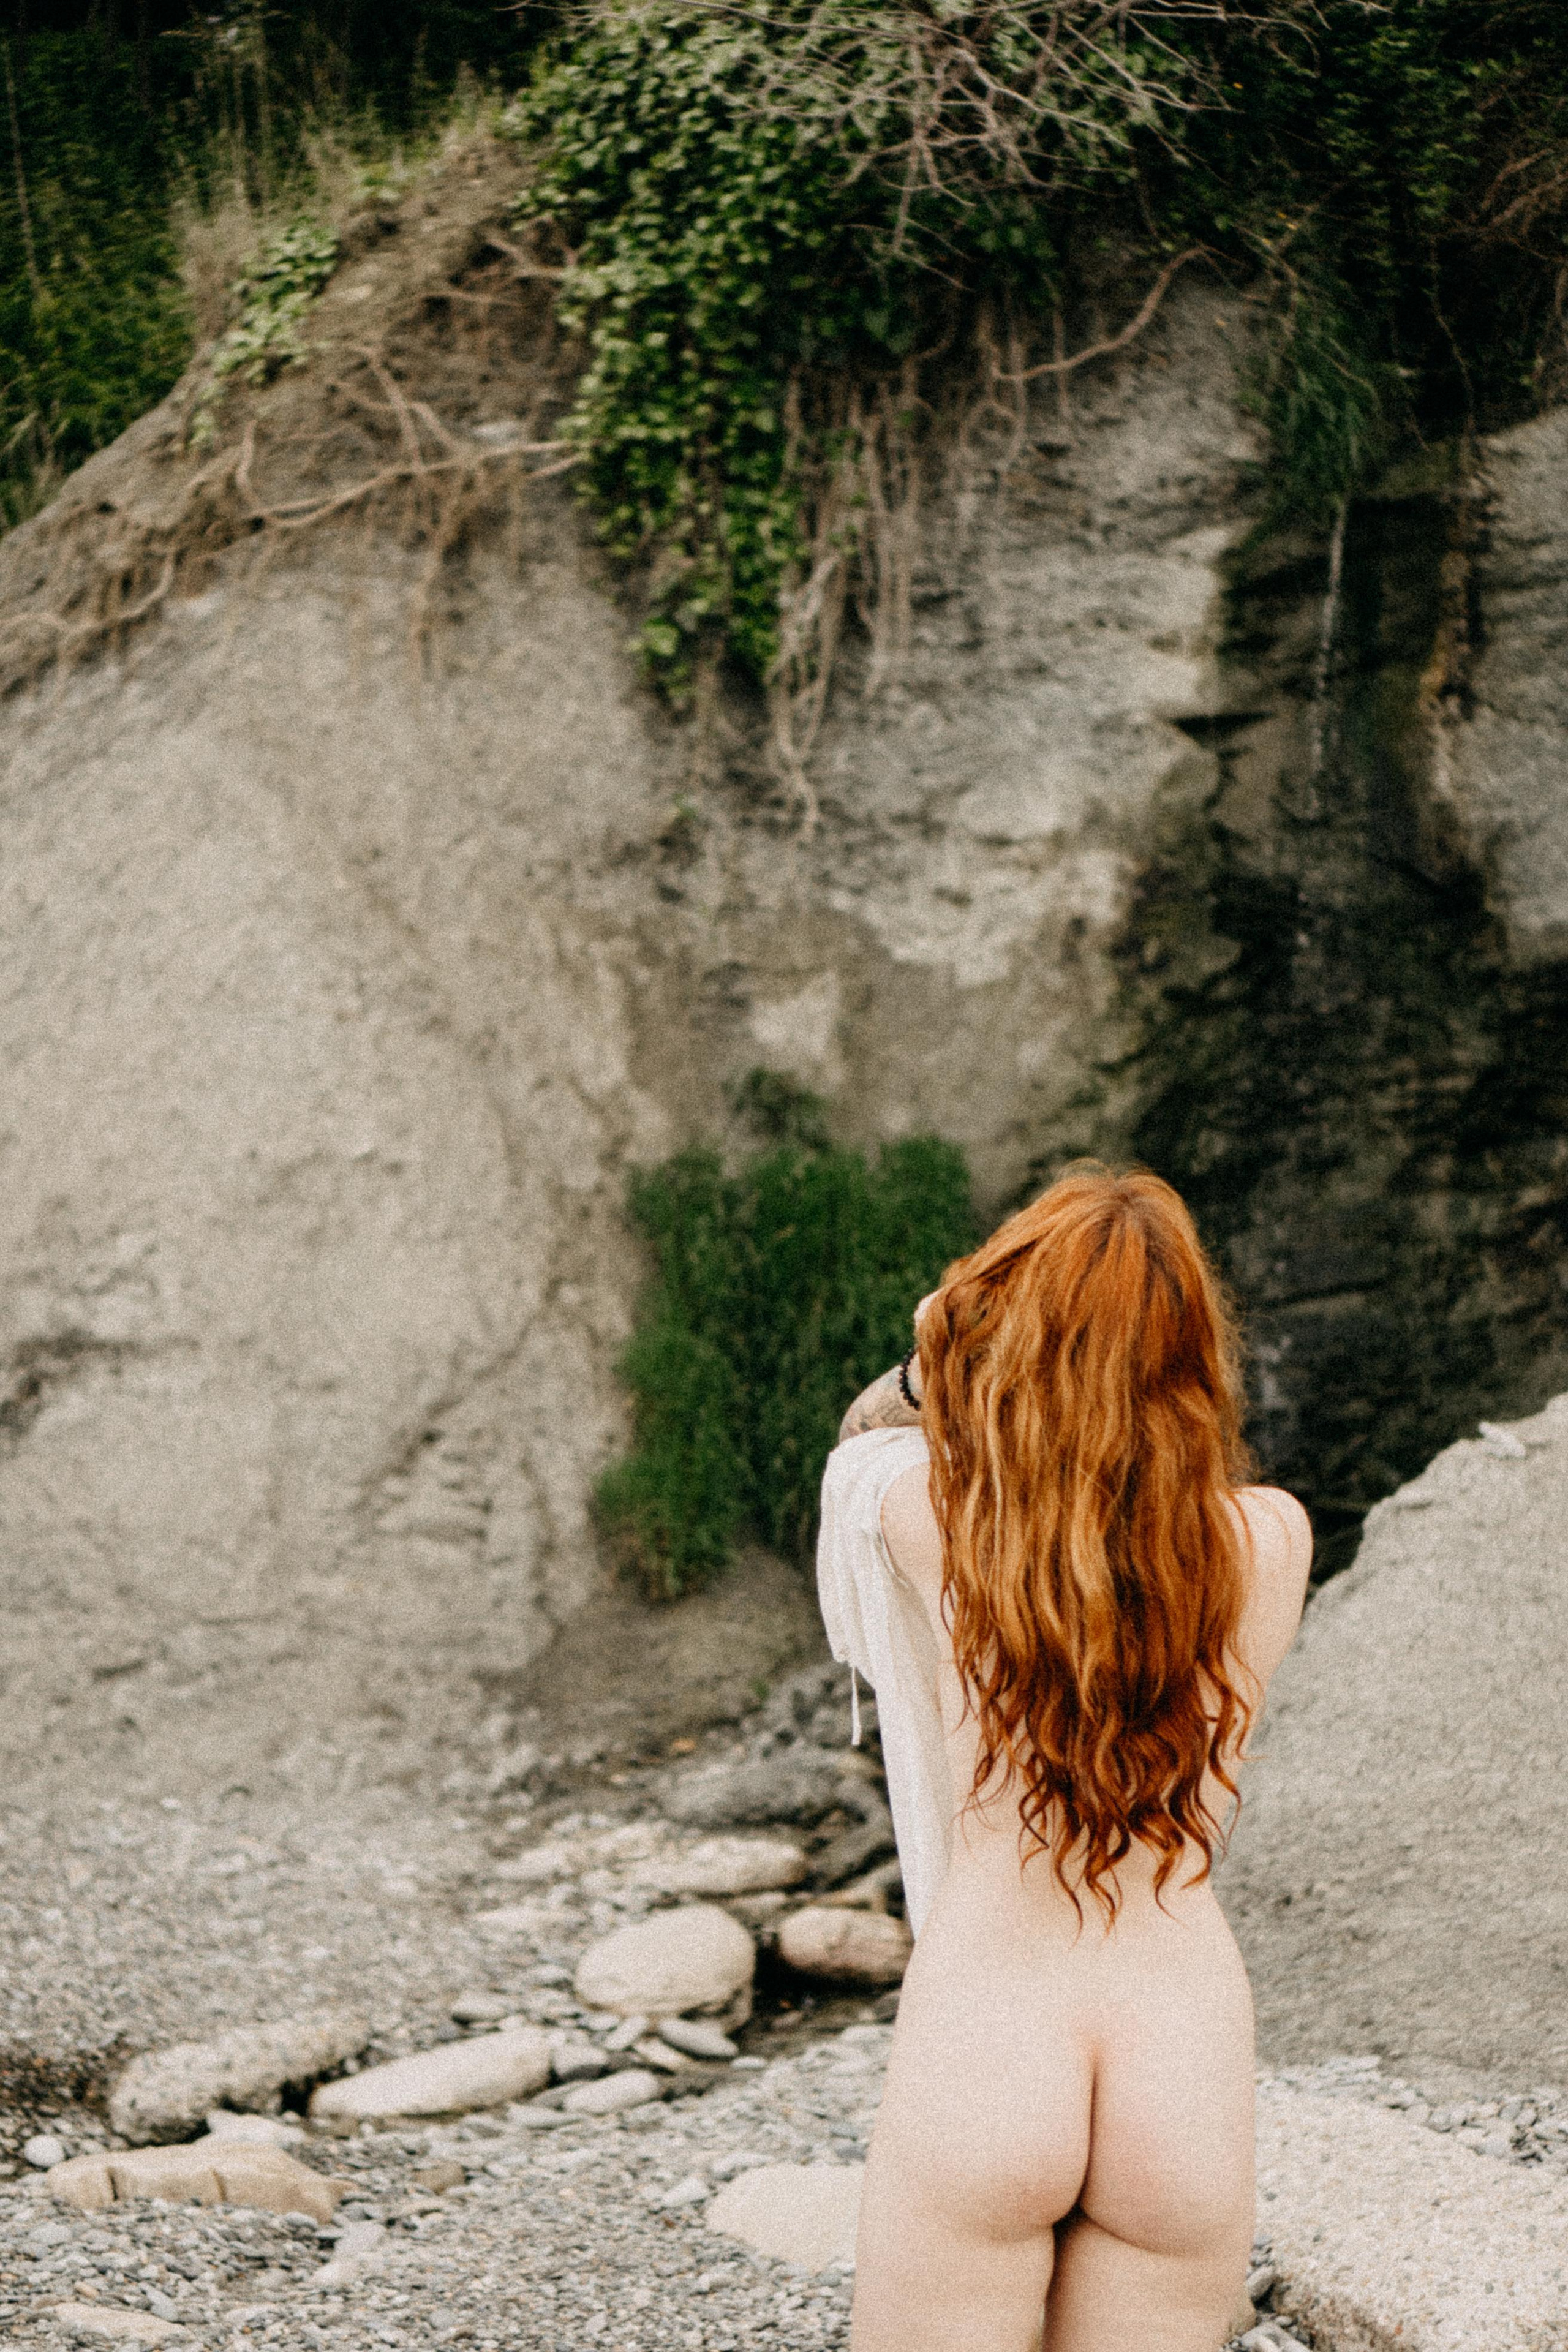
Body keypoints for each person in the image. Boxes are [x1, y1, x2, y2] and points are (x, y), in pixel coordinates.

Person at [816, 1164, 1311, 2352]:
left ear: (1008, 1339)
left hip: (995, 2028)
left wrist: (947, 1339)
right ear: (1195, 1353)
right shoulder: (1267, 1538)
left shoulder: (932, 1516)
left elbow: (868, 1426)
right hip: (1179, 2043)